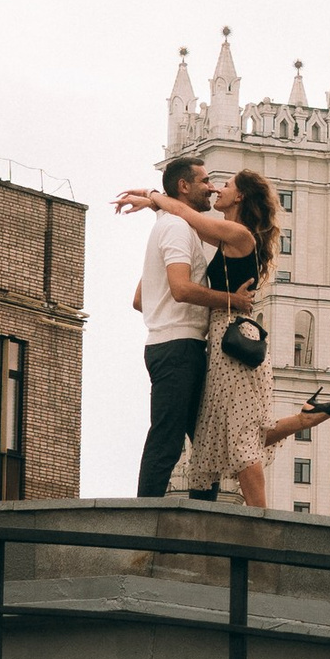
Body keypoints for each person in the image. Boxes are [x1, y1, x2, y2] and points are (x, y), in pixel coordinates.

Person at [174, 165, 330, 508]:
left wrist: (153, 199)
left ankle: (260, 519)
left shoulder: (241, 235)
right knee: (239, 427)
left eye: (226, 185)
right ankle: (308, 416)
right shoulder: (231, 234)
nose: (217, 189)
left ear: (240, 196)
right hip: (228, 335)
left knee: (239, 437)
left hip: (232, 337)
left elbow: (186, 214)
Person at [119, 162, 252, 497]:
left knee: (204, 441)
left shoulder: (175, 226)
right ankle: (143, 520)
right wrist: (231, 300)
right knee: (167, 439)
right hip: (178, 347)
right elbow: (180, 288)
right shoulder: (177, 229)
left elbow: (140, 299)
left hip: (178, 344)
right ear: (183, 186)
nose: (211, 186)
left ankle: (202, 514)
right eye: (205, 181)